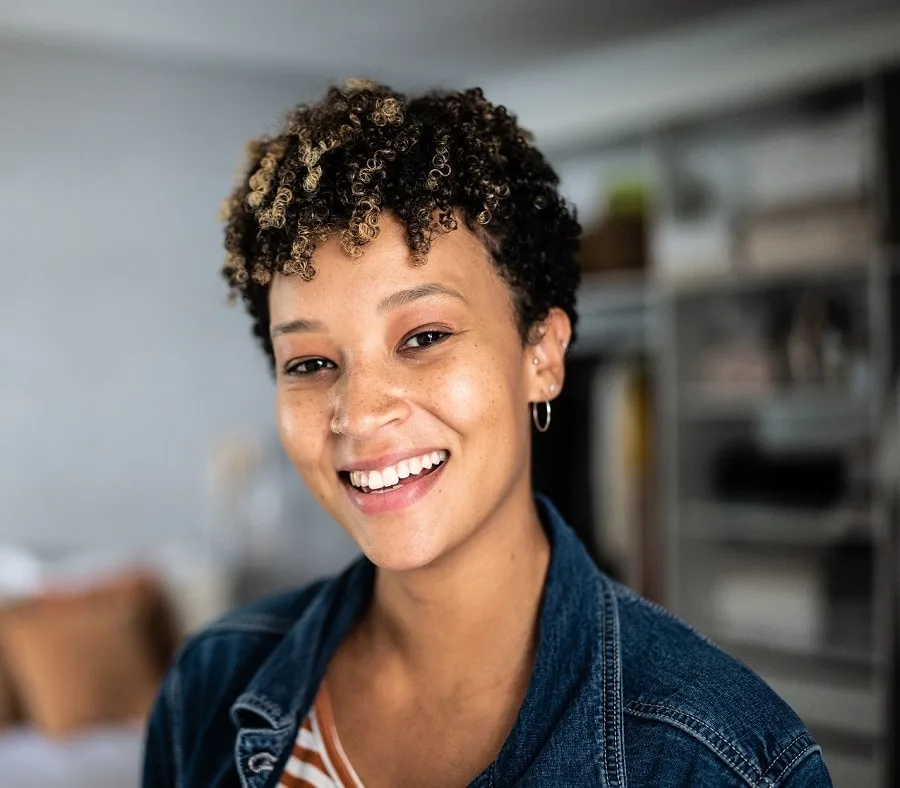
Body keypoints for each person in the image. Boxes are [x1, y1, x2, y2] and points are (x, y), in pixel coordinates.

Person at [143, 80, 831, 787]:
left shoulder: (725, 757)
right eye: (312, 362)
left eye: (424, 336)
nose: (357, 412)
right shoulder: (207, 687)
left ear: (541, 356)